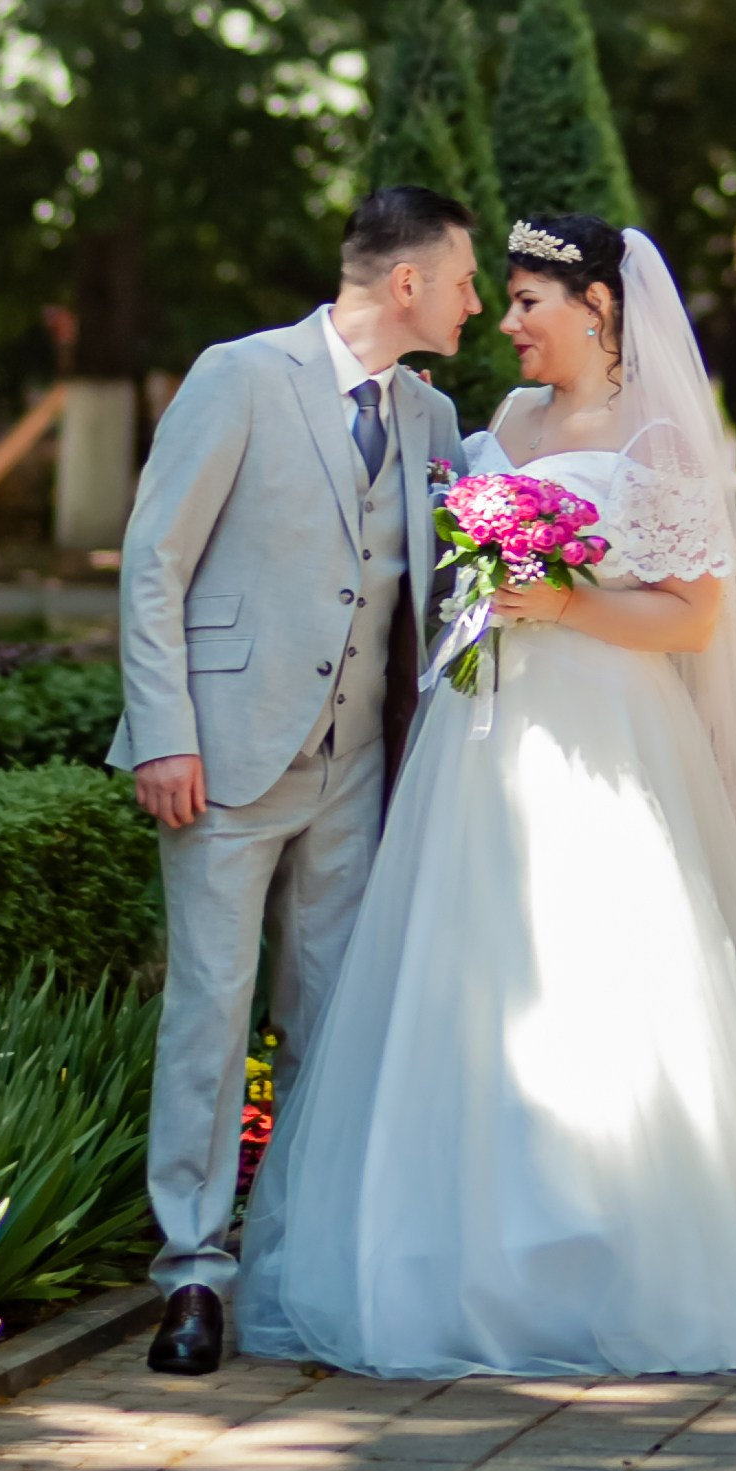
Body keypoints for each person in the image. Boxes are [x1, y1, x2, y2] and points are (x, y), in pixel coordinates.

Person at [236, 210, 736, 1383]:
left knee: (610, 978)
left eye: (529, 301)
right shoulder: (506, 422)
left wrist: (567, 607)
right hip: (483, 738)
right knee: (476, 974)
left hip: (603, 734)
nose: (508, 322)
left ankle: (622, 1261)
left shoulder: (656, 436)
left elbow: (692, 611)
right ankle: (464, 1260)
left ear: (596, 306)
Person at [112, 184, 477, 1383]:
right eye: (466, 278)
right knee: (211, 1015)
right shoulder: (242, 375)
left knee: (334, 1020)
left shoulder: (430, 419)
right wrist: (165, 734)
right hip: (221, 756)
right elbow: (153, 560)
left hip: (358, 769)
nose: (476, 301)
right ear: (407, 282)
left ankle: (302, 1259)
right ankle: (193, 1274)